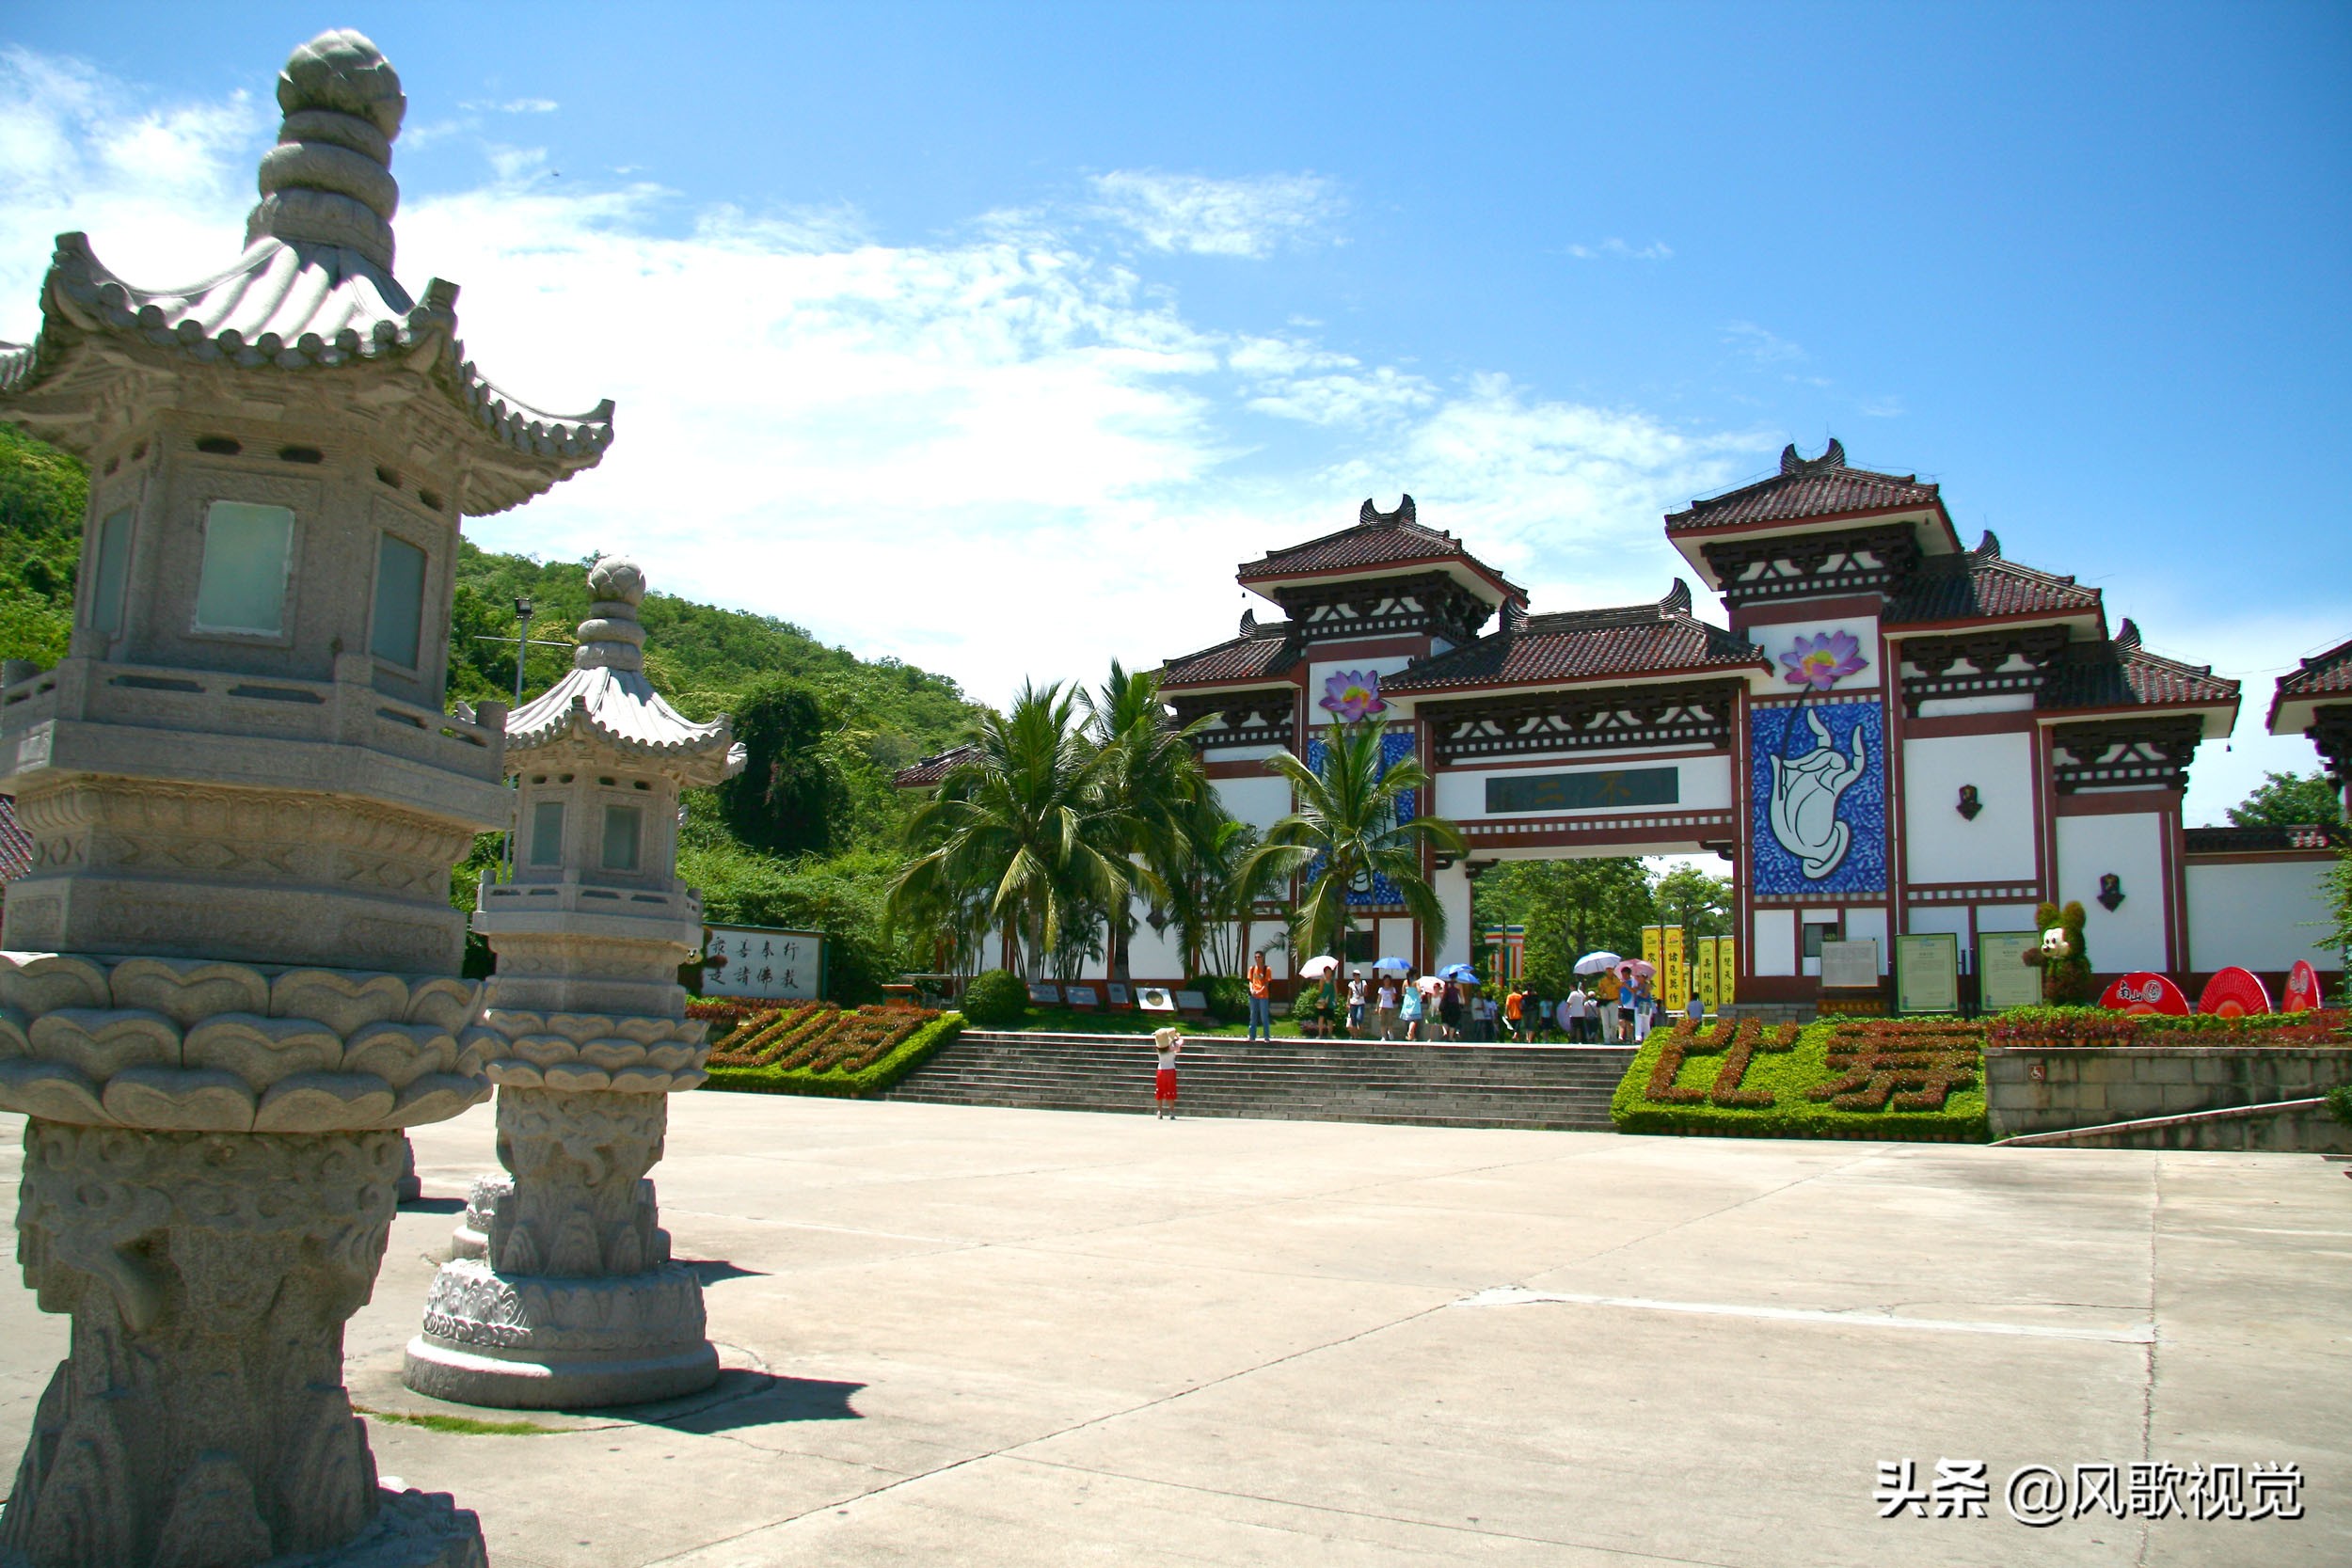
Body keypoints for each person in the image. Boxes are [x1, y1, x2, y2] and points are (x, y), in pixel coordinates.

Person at [1152, 1026, 1183, 1118]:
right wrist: (1177, 1037)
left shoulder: (1158, 1049)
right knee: (1170, 1090)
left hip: (1161, 1070)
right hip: (1170, 1069)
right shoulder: (1172, 1048)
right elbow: (1180, 1044)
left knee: (1159, 1091)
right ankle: (1171, 1112)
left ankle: (1159, 1111)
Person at [1246, 951, 1273, 1042]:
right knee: (1253, 1015)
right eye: (1256, 957)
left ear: (1262, 958)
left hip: (1263, 996)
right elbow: (1250, 981)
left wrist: (1260, 991)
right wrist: (1251, 989)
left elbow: (1266, 983)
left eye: (1259, 957)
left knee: (1264, 1016)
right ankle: (1252, 1036)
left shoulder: (1267, 969)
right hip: (1253, 996)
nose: (1257, 959)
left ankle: (1266, 1036)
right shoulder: (1252, 969)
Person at [1399, 974, 1424, 1041]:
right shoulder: (1416, 982)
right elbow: (1419, 990)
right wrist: (1422, 990)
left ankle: (1412, 1036)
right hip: (1414, 1000)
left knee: (1409, 1019)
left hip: (1407, 1000)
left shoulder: (1405, 982)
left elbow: (1403, 992)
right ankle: (1410, 1032)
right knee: (1414, 1019)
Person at [1375, 973, 1399, 1039]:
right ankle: (1383, 1036)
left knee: (1390, 1022)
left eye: (1388, 980)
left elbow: (1394, 998)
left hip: (1389, 1007)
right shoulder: (1381, 989)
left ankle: (1391, 1034)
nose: (1387, 982)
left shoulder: (1393, 989)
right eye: (1385, 980)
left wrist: (1391, 991)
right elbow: (1379, 998)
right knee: (1382, 1022)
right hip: (1382, 1007)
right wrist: (1377, 1007)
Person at [1346, 970, 1367, 1037]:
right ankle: (1355, 1036)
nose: (1356, 976)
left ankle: (1361, 1033)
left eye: (1357, 975)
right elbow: (1349, 994)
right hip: (1353, 1003)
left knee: (1359, 1018)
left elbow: (1366, 993)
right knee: (1353, 1019)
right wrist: (1348, 1003)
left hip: (1361, 1003)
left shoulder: (1363, 983)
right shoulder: (1351, 984)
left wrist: (1361, 994)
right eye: (1354, 975)